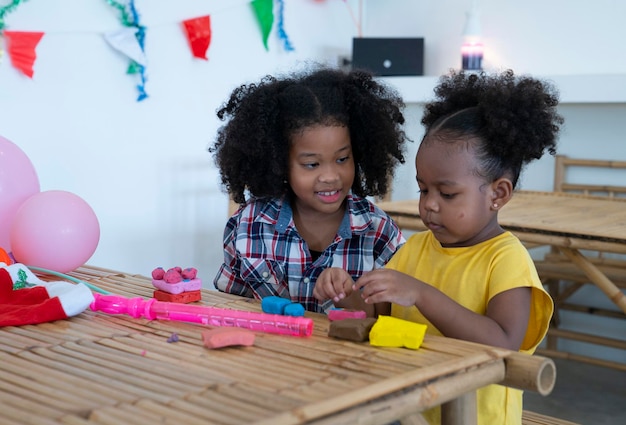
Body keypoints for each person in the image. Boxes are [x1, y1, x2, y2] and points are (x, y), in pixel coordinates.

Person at [350, 69, 563, 424]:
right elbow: (376, 314)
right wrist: (349, 293)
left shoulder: (507, 259)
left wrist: (421, 293)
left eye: (447, 194)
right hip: (414, 410)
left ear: (498, 193)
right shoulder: (416, 248)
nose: (430, 204)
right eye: (423, 190)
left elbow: (502, 344)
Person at [210, 65, 410, 314]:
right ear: (279, 163)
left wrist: (347, 296)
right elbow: (230, 306)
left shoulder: (379, 233)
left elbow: (389, 318)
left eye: (342, 159)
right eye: (311, 164)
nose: (330, 176)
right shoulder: (248, 225)